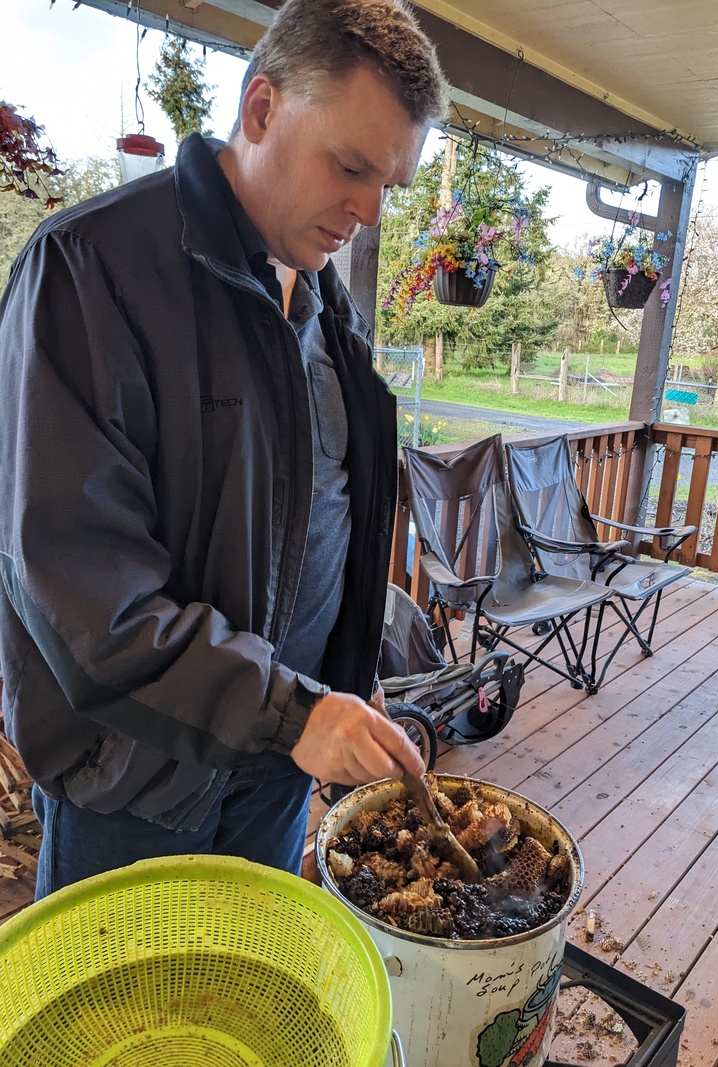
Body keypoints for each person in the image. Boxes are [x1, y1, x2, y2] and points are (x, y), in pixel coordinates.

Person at [0, 0, 450, 898]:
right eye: (352, 166)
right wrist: (291, 711)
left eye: (388, 185)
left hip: (278, 775)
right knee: (127, 1032)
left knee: (251, 1021)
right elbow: (82, 595)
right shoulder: (89, 271)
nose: (367, 211)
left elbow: (326, 522)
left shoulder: (327, 310)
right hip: (138, 784)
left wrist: (342, 685)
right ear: (261, 109)